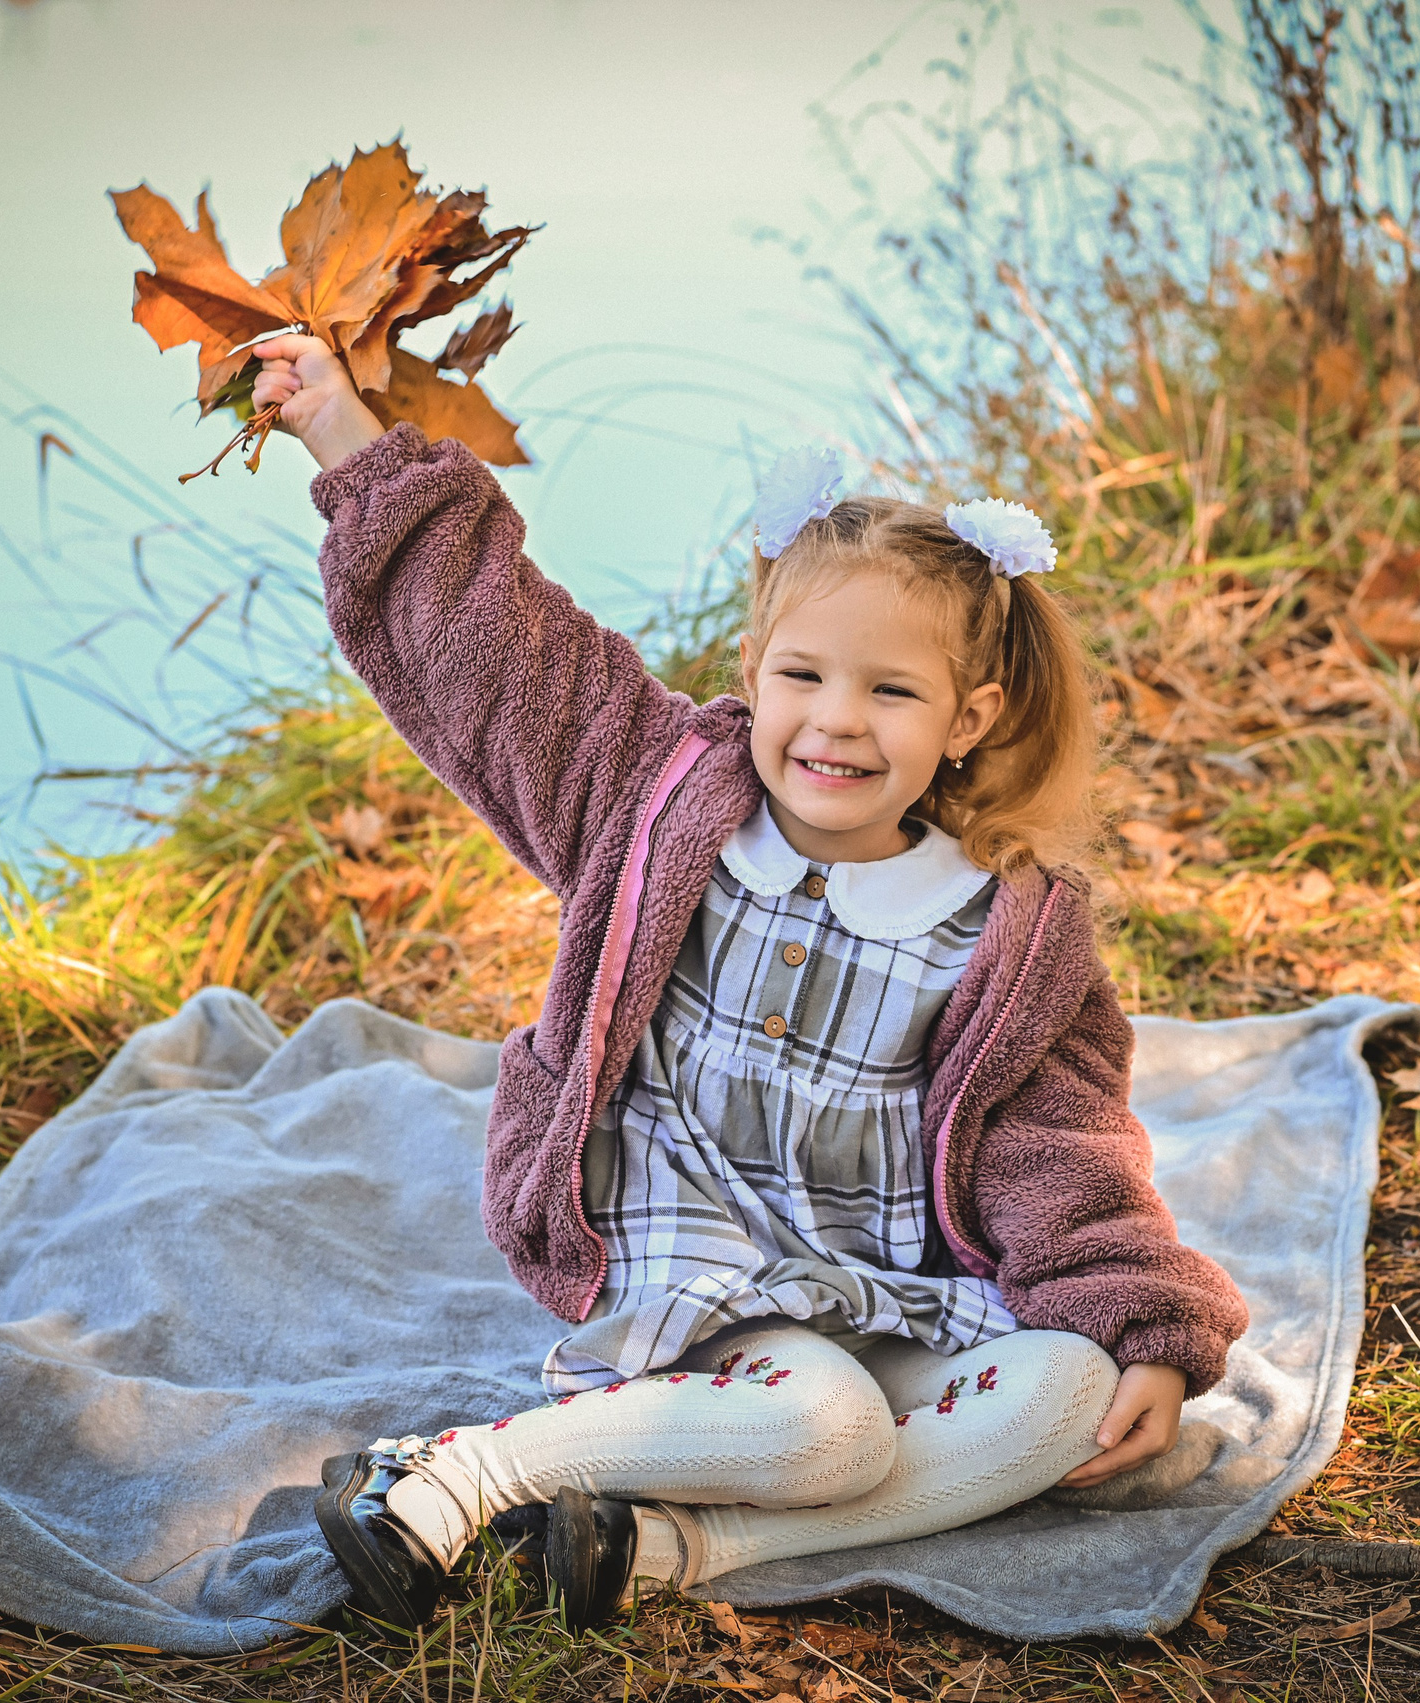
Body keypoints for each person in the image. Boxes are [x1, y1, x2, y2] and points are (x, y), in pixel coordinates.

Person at [245, 334, 1248, 1633]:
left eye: (891, 690)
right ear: (753, 670)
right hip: (699, 1261)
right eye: (804, 677)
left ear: (972, 716)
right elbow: (495, 652)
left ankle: (674, 1549)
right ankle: (460, 1474)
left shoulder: (1005, 927)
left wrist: (1145, 1332)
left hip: (883, 1277)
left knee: (1061, 1388)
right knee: (826, 1425)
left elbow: (1062, 1153)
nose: (835, 721)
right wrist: (346, 438)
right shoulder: (657, 796)